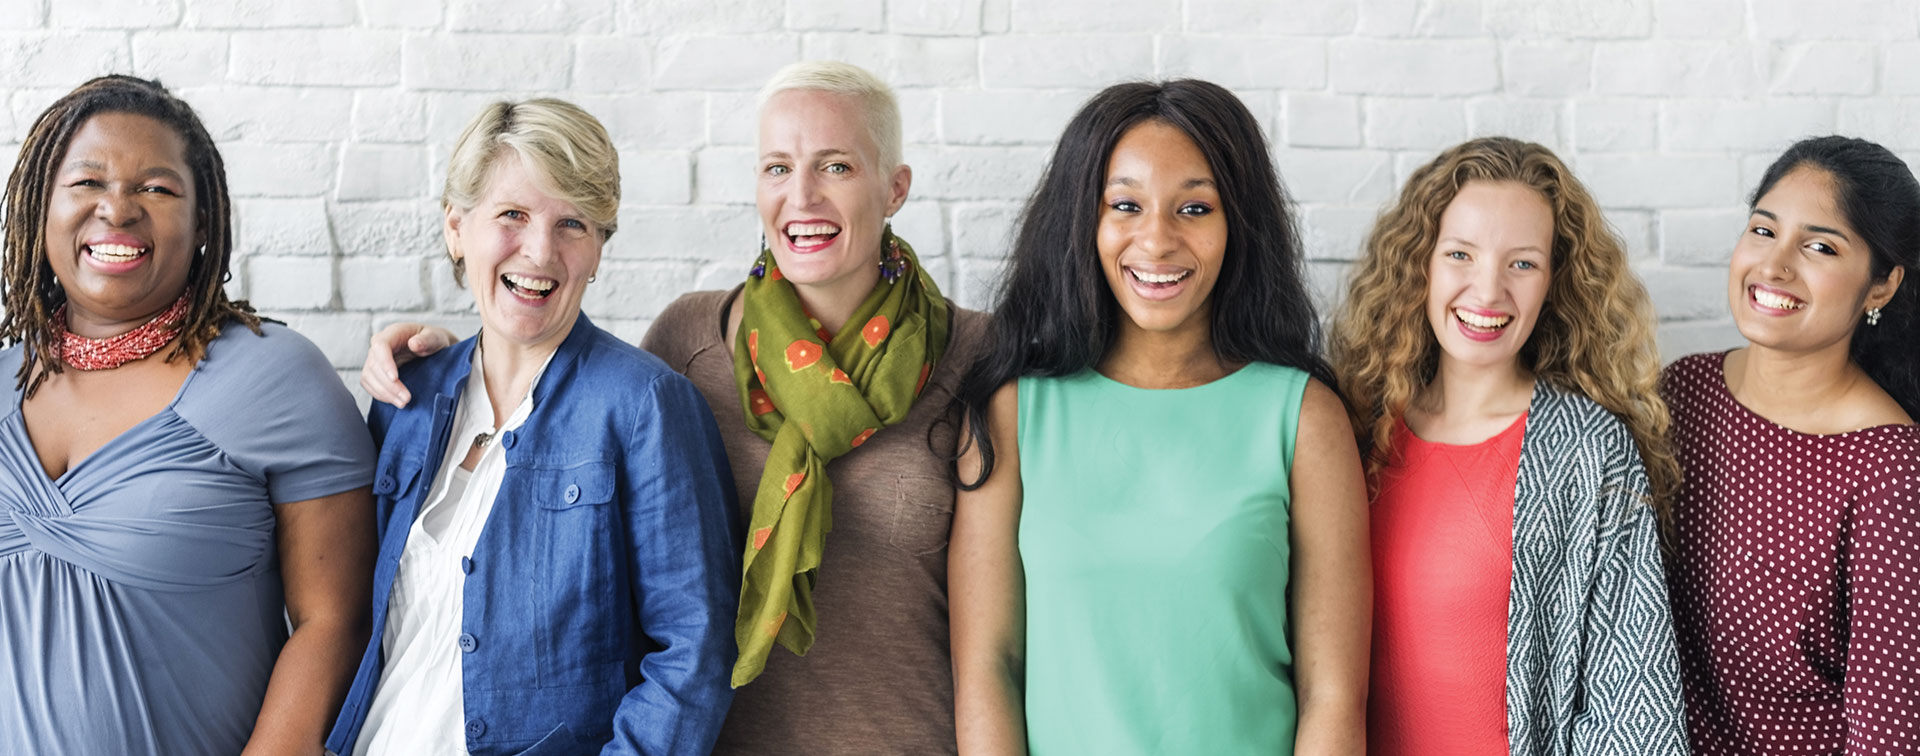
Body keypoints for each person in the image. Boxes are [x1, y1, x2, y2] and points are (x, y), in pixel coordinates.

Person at [357, 62, 987, 754]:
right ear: (455, 227)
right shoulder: (690, 340)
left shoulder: (978, 357)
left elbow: (691, 647)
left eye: (836, 166)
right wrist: (441, 365)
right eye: (777, 168)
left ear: (896, 187)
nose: (802, 194)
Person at [948, 79, 1371, 755]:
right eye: (1125, 205)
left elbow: (1334, 696)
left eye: (1195, 208)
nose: (1157, 239)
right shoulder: (1014, 414)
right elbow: (988, 671)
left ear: (1238, 224)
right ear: (1083, 220)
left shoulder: (1302, 417)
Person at [325, 99, 740, 756]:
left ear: (598, 250)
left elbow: (695, 655)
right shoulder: (407, 394)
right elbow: (351, 616)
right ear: (457, 228)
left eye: (572, 223)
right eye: (512, 215)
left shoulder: (647, 406)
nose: (540, 251)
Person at [0, 75, 375, 755]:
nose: (117, 209)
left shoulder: (273, 377)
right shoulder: (4, 381)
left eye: (157, 188)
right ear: (39, 208)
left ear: (203, 221)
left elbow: (336, 619)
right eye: (86, 182)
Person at [1330, 137, 1686, 755]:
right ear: (1421, 263)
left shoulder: (1588, 450)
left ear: (1554, 281)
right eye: (1460, 254)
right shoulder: (1352, 430)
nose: (1488, 290)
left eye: (1522, 264)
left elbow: (1633, 697)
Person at [1664, 135, 1920, 754]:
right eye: (1763, 230)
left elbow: (1889, 733)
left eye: (1820, 246)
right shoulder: (1682, 391)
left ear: (1882, 285)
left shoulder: (1892, 469)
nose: (1774, 266)